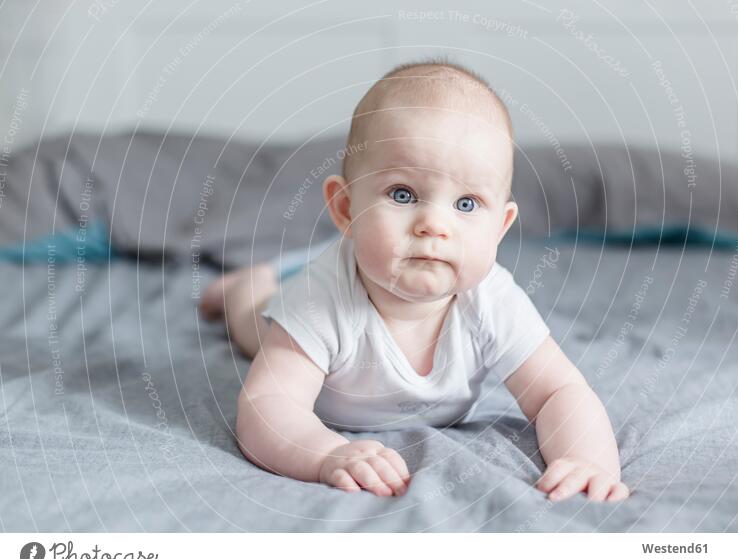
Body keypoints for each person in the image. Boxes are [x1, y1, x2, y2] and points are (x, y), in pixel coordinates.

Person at [200, 60, 630, 502]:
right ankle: (244, 286)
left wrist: (587, 460)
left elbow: (559, 391)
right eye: (402, 194)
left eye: (466, 204)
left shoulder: (493, 302)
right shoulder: (321, 298)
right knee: (255, 324)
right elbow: (268, 406)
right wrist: (326, 454)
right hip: (305, 332)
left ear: (500, 228)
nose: (433, 224)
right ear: (345, 209)